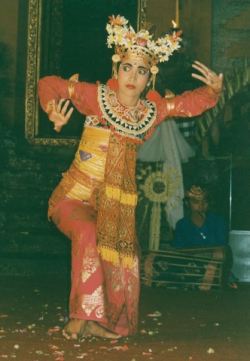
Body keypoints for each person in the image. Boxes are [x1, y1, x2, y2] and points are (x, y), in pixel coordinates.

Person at [38, 15, 223, 339]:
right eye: (127, 68)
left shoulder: (150, 113)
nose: (132, 77)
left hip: (114, 208)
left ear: (149, 77)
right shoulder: (95, 97)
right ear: (116, 70)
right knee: (88, 232)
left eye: (141, 71)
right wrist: (52, 108)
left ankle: (105, 321)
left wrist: (213, 92)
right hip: (73, 199)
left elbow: (186, 104)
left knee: (125, 254)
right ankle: (82, 317)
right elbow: (49, 85)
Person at [173, 185, 237, 289]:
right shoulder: (182, 224)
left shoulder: (218, 221)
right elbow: (178, 249)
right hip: (191, 264)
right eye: (196, 202)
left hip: (213, 263)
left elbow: (221, 245)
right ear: (187, 204)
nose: (201, 205)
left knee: (219, 255)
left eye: (204, 202)